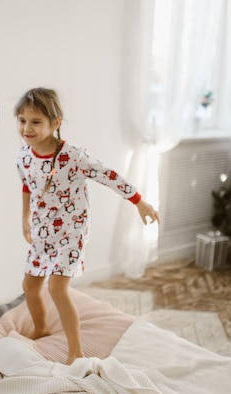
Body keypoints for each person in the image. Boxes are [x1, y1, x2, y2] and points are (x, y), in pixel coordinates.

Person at [14, 87, 160, 365]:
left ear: (55, 123)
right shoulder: (22, 156)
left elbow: (110, 176)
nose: (26, 128)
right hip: (42, 232)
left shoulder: (73, 156)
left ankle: (75, 351)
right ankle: (40, 327)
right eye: (22, 120)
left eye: (35, 121)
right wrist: (24, 219)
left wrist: (139, 201)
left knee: (57, 287)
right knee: (30, 286)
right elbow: (26, 186)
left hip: (71, 231)